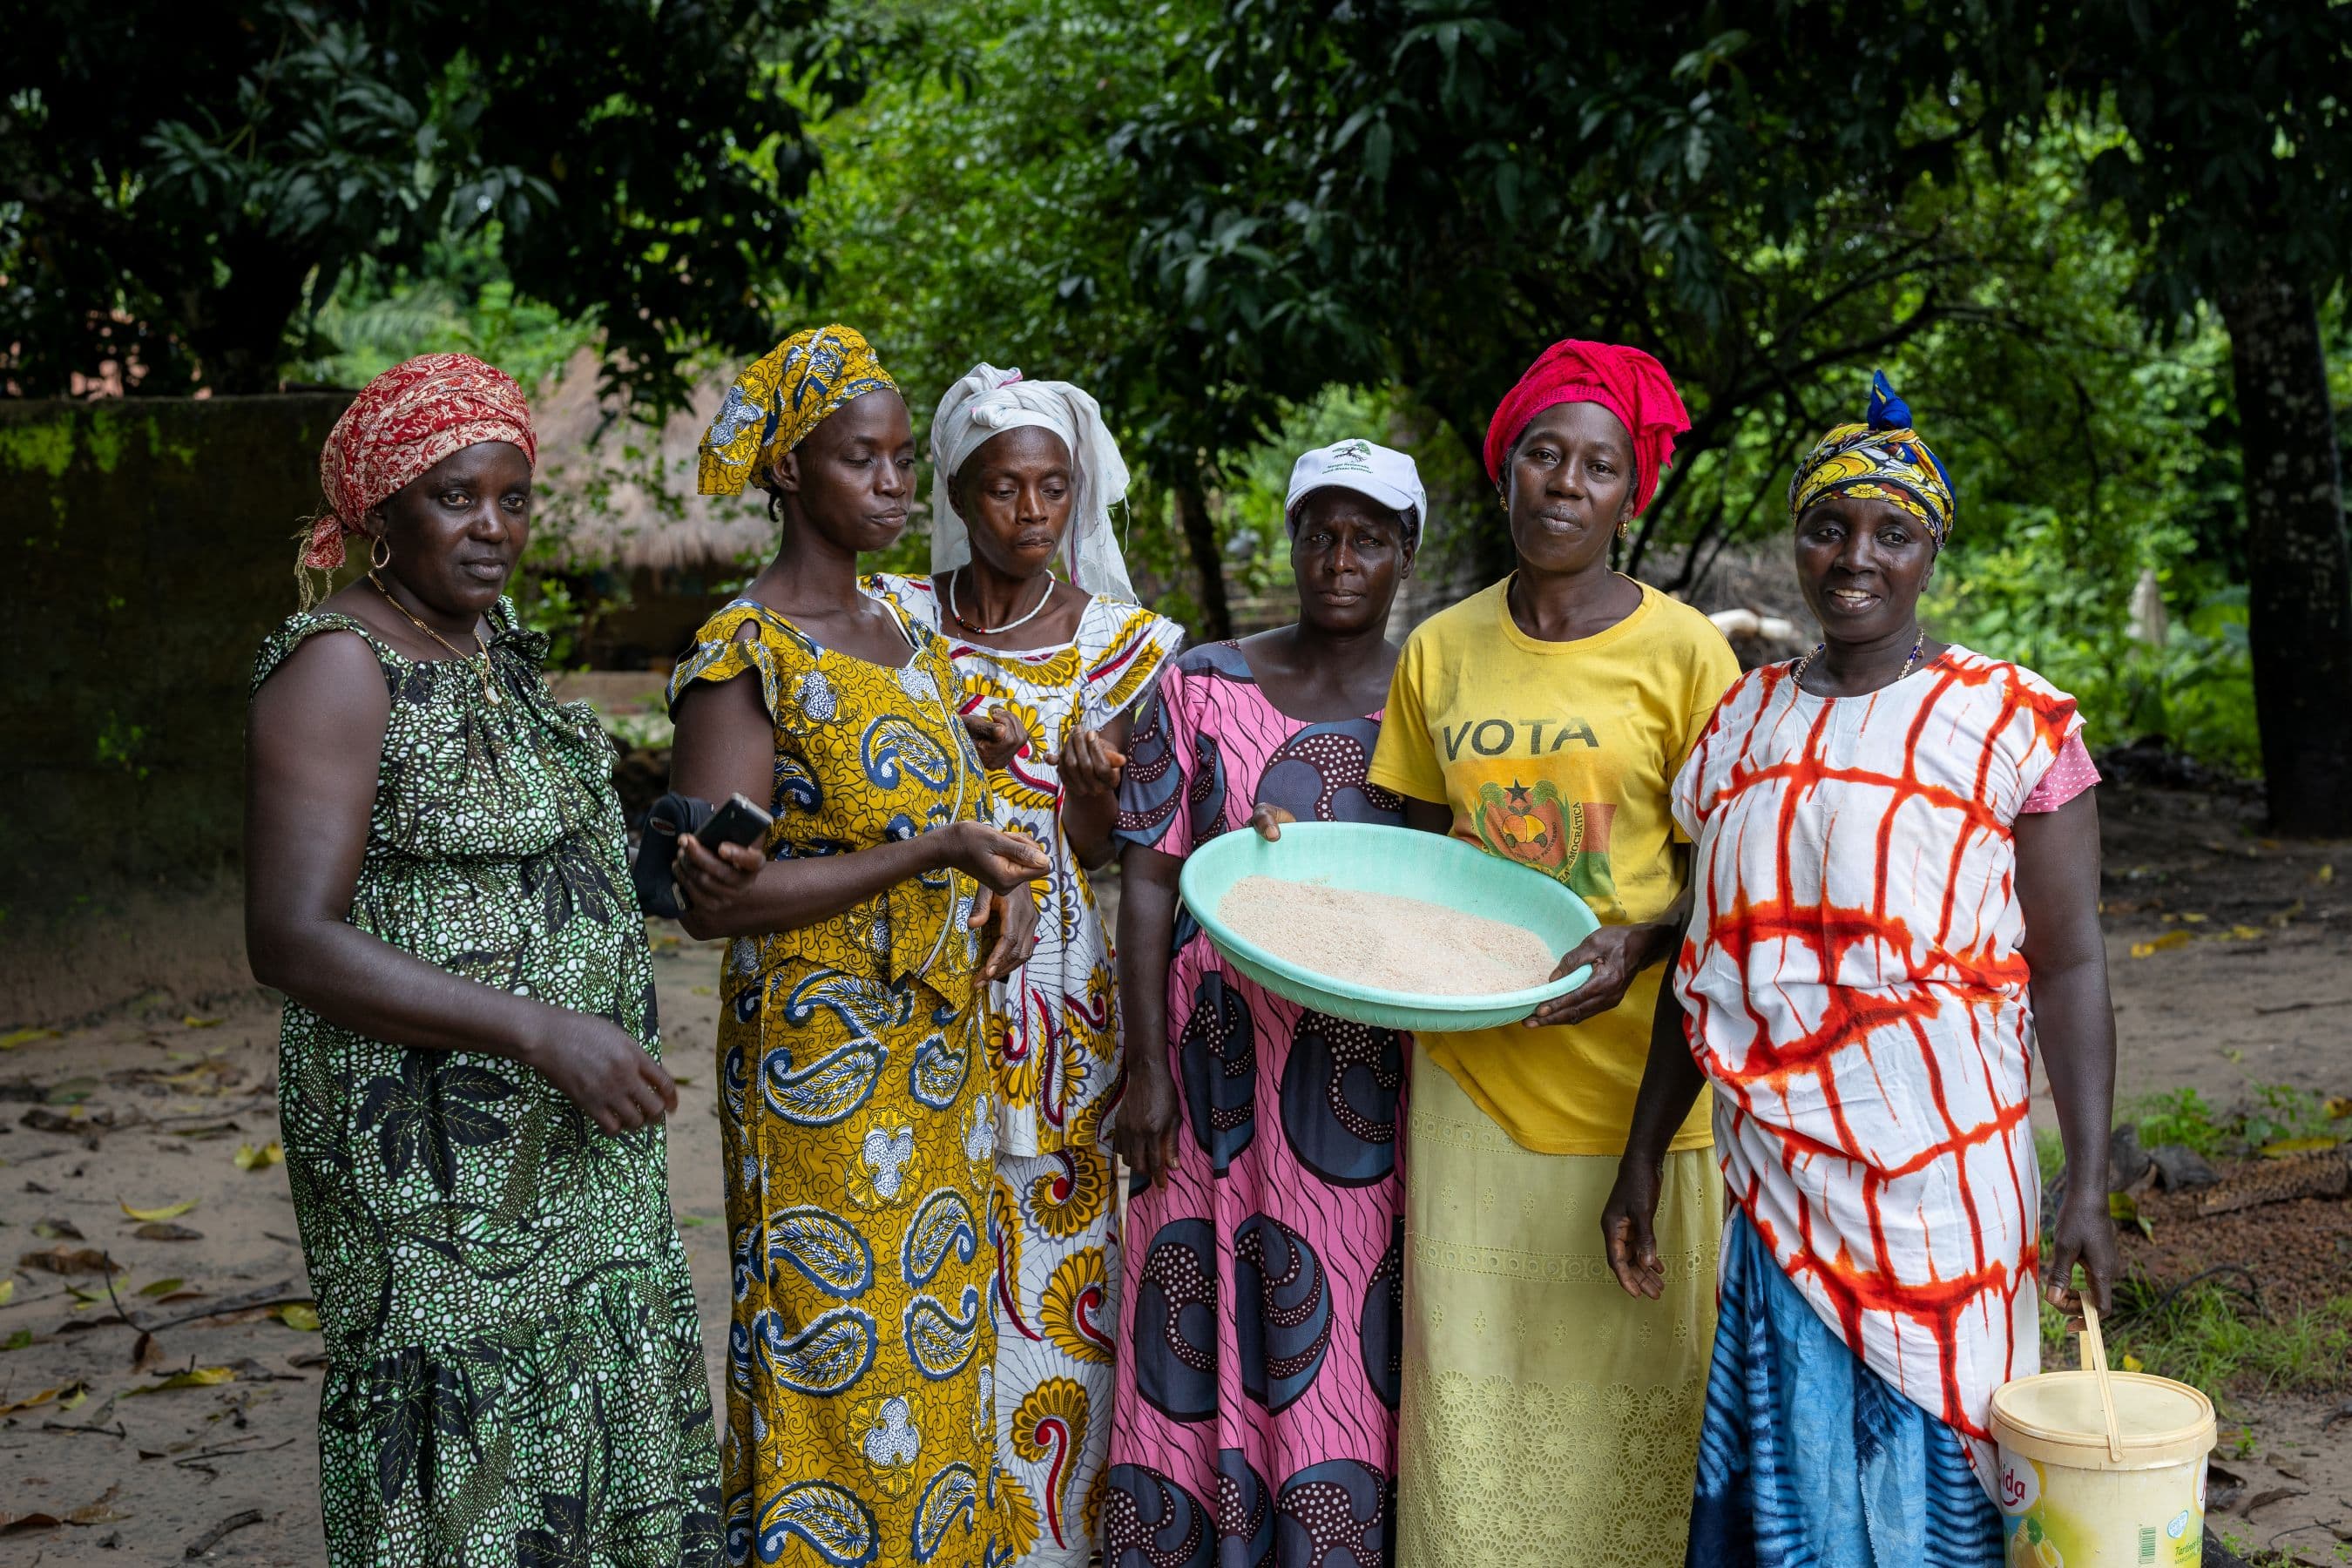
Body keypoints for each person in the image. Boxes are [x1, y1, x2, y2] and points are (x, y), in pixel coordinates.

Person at [1603, 374, 2119, 1567]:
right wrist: (1641, 1156)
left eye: (1893, 531)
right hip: (1780, 1185)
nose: (1856, 557)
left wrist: (2085, 1176)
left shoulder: (2007, 722)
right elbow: (1709, 965)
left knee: (1939, 1468)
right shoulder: (1738, 728)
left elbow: (2074, 960)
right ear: (1798, 538)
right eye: (1829, 526)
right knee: (1796, 1474)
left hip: (1943, 1182)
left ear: (1931, 548)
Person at [245, 353, 720, 1565]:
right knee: (470, 1416)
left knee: (585, 1397)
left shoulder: (492, 643)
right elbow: (291, 936)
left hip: (571, 1135)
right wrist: (542, 1030)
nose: (493, 528)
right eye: (458, 497)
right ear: (382, 514)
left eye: (512, 497)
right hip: (435, 1146)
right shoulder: (342, 664)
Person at [663, 325, 1050, 1568]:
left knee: (936, 1342)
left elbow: (965, 816)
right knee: (830, 1357)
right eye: (860, 460)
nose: (894, 483)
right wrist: (928, 854)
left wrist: (1004, 886)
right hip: (814, 1067)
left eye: (900, 461)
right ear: (788, 475)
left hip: (935, 1057)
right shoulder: (746, 653)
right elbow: (718, 900)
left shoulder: (904, 629)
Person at [1365, 341, 1740, 1567]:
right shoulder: (1441, 651)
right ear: (1504, 473)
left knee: (1645, 1401)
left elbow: (1734, 884)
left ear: (1631, 493)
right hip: (1477, 1082)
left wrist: (1642, 944)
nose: (1566, 485)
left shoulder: (1690, 657)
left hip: (1650, 1090)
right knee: (1475, 1410)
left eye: (1598, 466)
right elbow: (1419, 859)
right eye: (1543, 455)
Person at [863, 363, 1183, 1568]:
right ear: (957, 489)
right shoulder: (890, 623)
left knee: (1054, 1293)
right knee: (926, 1275)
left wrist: (1091, 805)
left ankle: (1053, 1546)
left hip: (1056, 1004)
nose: (1032, 512)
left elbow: (1106, 856)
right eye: (1004, 488)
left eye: (1055, 487)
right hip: (906, 993)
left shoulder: (1127, 649)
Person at [1105, 438, 1425, 1567]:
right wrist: (1146, 1069)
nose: (1341, 559)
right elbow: (1146, 871)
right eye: (1320, 534)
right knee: (1204, 1322)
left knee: (1343, 1335)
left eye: (1370, 539)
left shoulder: (1431, 704)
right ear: (1292, 544)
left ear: (1405, 557)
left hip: (1361, 1094)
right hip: (1211, 1072)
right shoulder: (1200, 683)